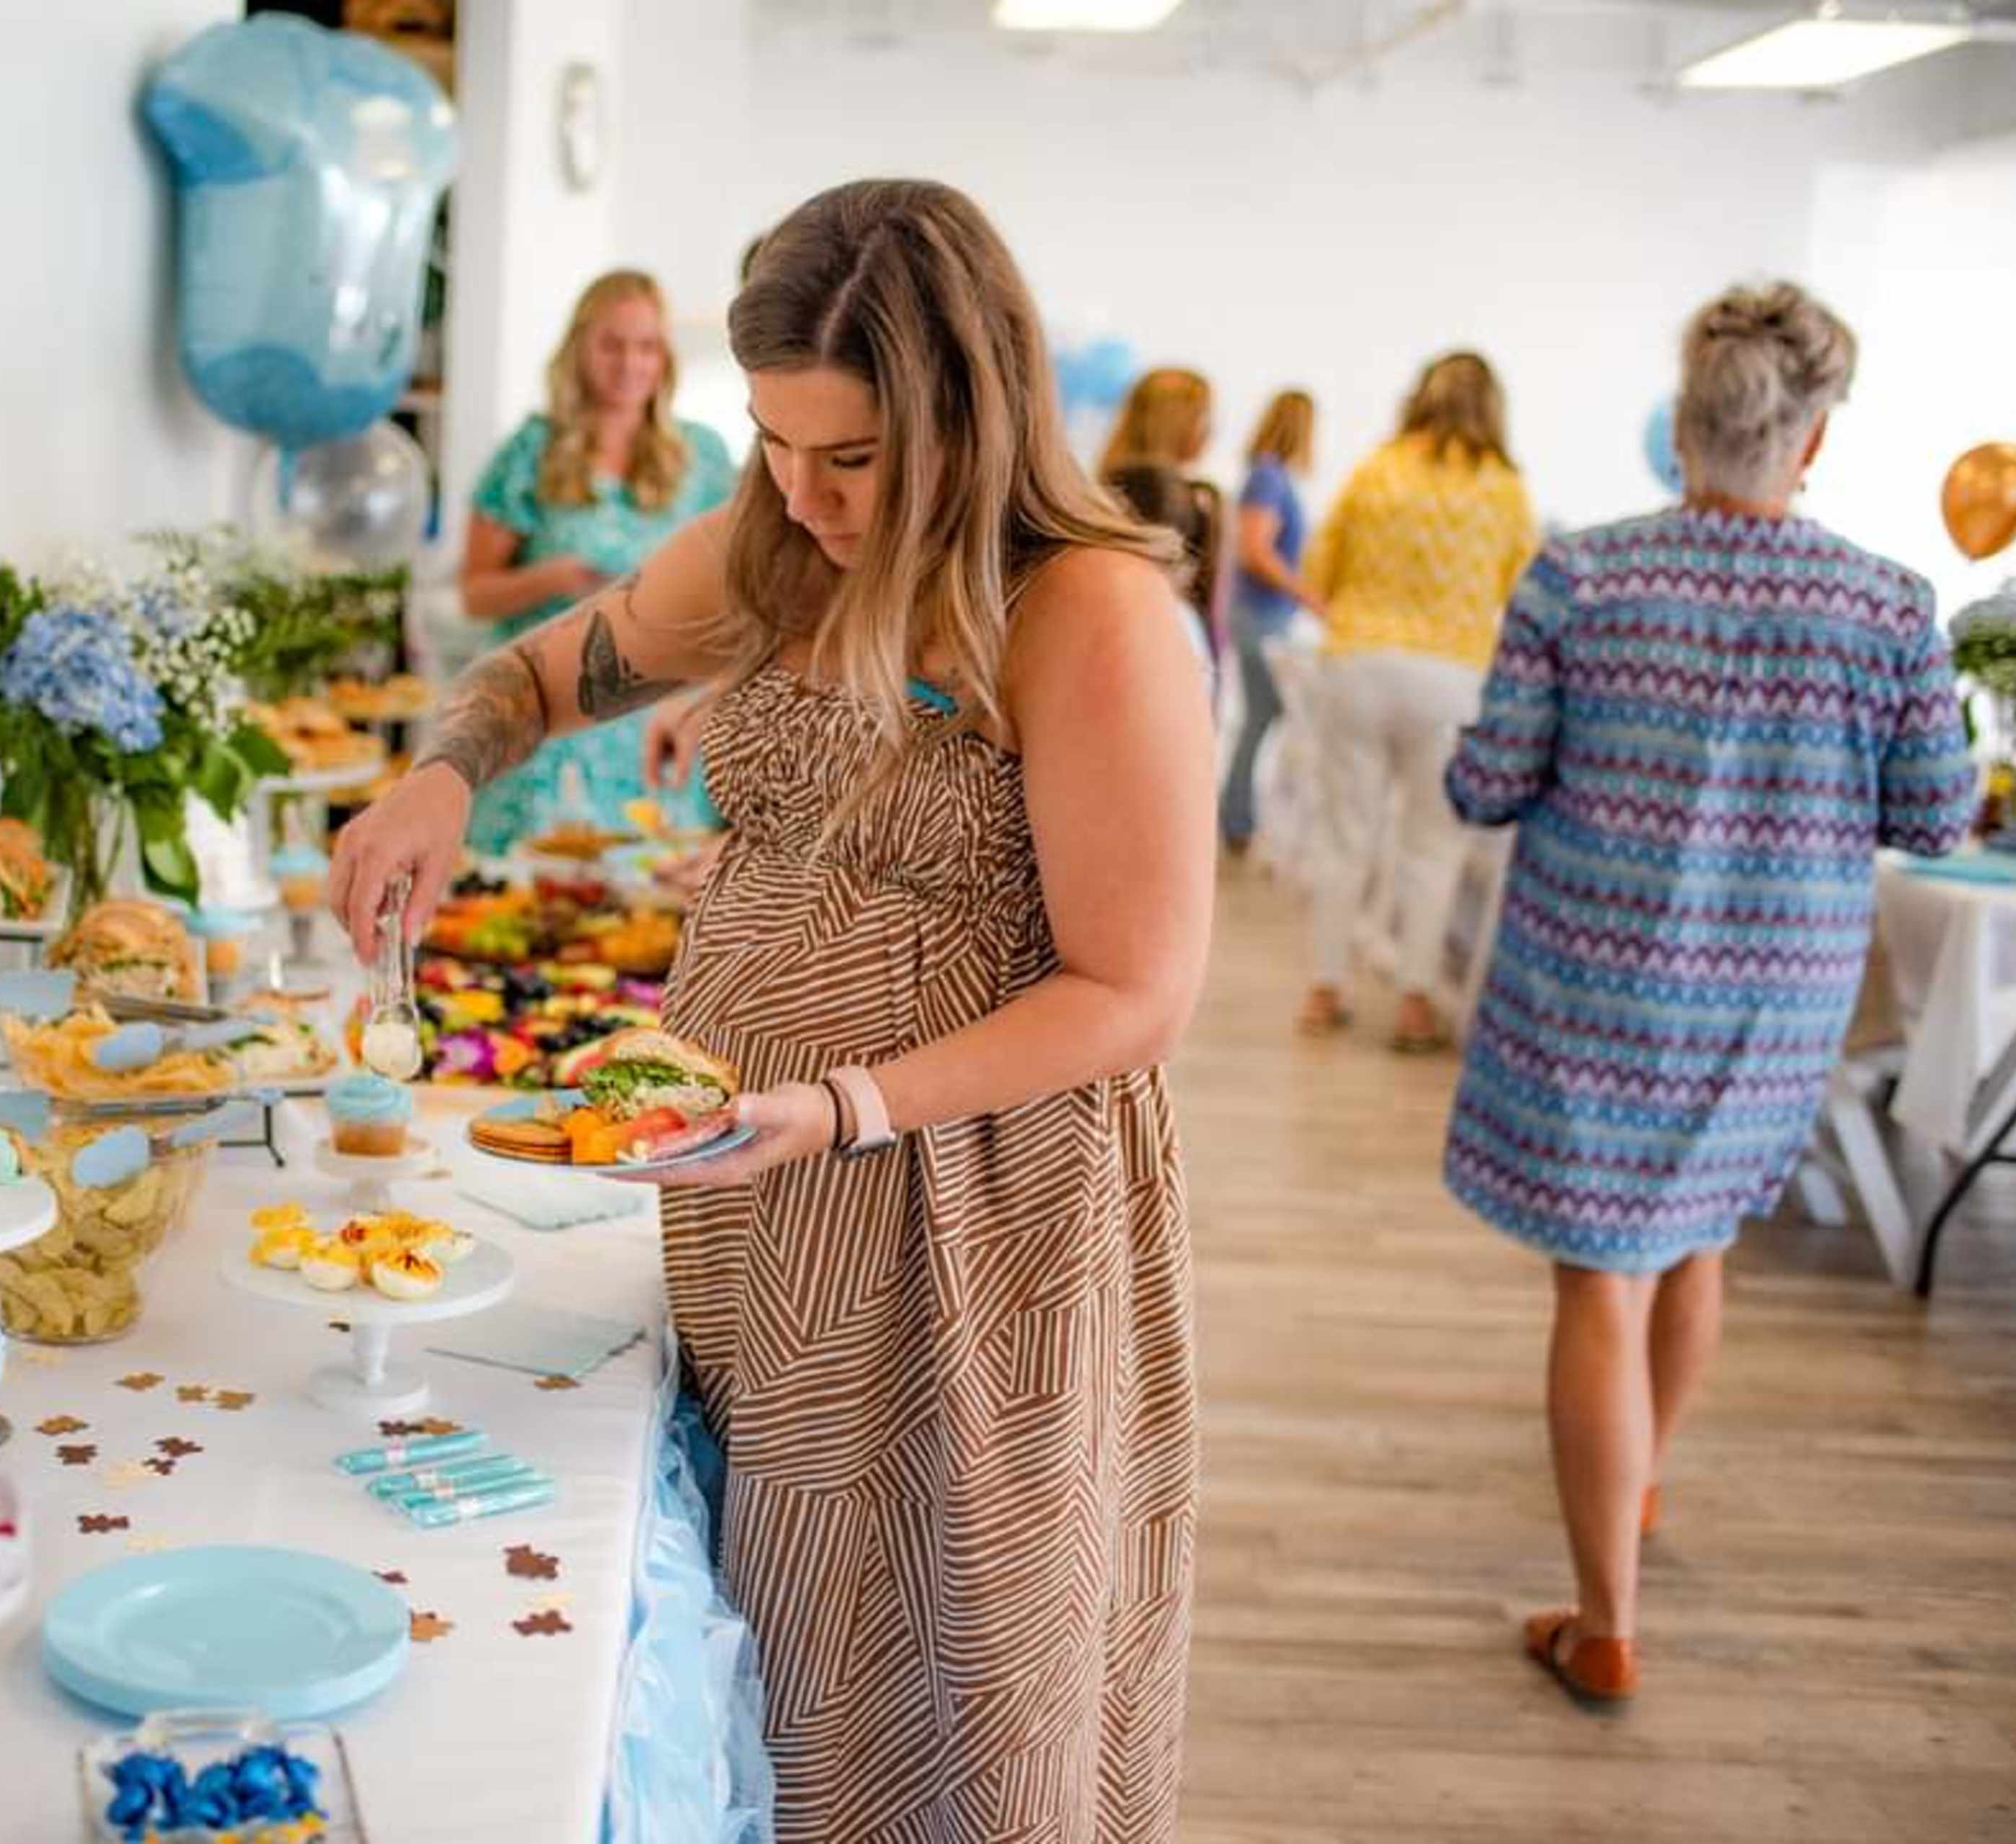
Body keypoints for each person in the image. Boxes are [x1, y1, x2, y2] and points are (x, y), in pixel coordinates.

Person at [334, 178, 1211, 1840]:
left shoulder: (1079, 610)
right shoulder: (774, 551)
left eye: (853, 459)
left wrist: (845, 1105)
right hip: (765, 1213)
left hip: (961, 1231)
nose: (803, 494)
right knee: (773, 1642)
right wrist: (440, 779)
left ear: (967, 412)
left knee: (940, 1668)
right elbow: (529, 673)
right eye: (773, 441)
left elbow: (1135, 994)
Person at [1441, 283, 1974, 1703]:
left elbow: (1487, 782)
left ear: (1683, 428)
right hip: (1775, 995)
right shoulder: (1889, 605)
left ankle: (1604, 1620)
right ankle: (1644, 1477)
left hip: (1595, 983)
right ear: (1808, 442)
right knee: (1696, 1246)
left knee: (1601, 1277)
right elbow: (1932, 816)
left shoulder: (1582, 579)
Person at [1298, 351, 1537, 1051]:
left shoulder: (1378, 468)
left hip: (1360, 661)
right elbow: (1519, 595)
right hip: (1451, 675)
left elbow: (1319, 568)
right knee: (1433, 845)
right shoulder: (1503, 488)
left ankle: (1325, 987)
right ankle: (1412, 1001)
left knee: (1344, 833)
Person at [457, 269, 738, 854]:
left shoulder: (704, 456)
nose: (629, 364)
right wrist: (551, 578)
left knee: (647, 912)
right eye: (612, 345)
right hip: (549, 721)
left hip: (655, 725)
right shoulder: (531, 450)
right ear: (580, 349)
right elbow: (474, 593)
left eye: (647, 347)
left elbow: (738, 592)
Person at [1221, 389, 1321, 853]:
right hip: (1260, 616)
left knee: (1264, 715)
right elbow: (1255, 549)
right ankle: (1236, 819)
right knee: (1265, 715)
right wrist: (1308, 595)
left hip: (1266, 615)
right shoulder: (1268, 477)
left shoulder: (1272, 478)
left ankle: (1239, 815)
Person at [1099, 366, 1226, 664]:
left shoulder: (1118, 482)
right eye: (1204, 415)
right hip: (1162, 646)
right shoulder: (1152, 488)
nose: (1211, 429)